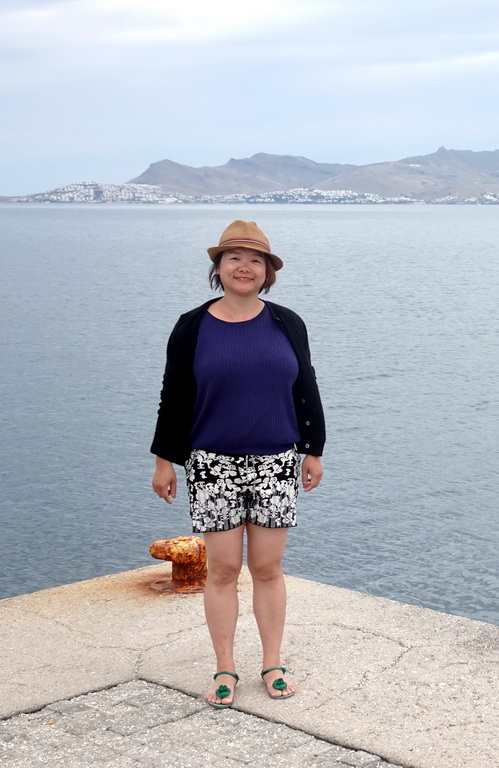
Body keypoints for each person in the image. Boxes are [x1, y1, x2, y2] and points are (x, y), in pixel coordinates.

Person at [150, 220, 325, 708]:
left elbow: (305, 388)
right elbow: (175, 398)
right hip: (211, 465)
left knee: (268, 568)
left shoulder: (287, 323)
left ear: (267, 272)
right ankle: (225, 667)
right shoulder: (192, 326)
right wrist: (165, 461)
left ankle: (272, 662)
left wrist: (315, 449)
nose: (244, 267)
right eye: (234, 258)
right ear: (218, 268)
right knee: (223, 570)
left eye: (255, 260)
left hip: (274, 461)